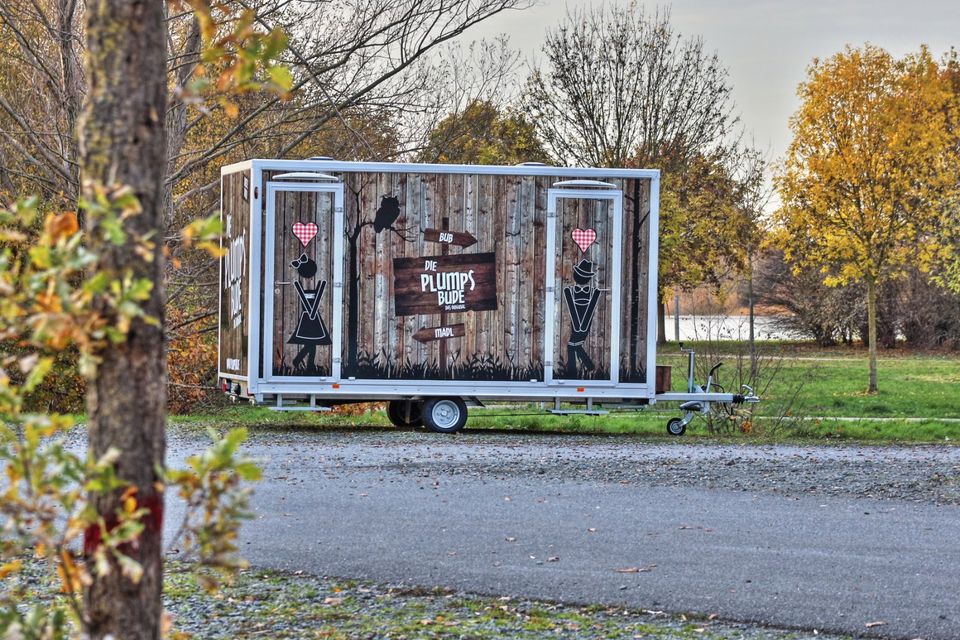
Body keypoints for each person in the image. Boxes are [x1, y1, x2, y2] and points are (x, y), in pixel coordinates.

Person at [287, 253, 331, 372]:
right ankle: (306, 363)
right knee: (312, 342)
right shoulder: (301, 284)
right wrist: (311, 312)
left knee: (312, 342)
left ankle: (303, 361)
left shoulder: (311, 284)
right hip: (310, 316)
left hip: (310, 316)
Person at [563, 259, 601, 377]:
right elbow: (572, 308)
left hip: (584, 323)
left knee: (571, 345)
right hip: (577, 323)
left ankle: (573, 372)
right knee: (575, 345)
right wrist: (577, 325)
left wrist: (582, 326)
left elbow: (590, 310)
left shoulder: (594, 292)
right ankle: (588, 366)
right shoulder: (569, 291)